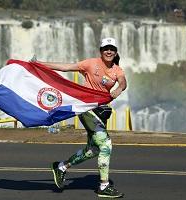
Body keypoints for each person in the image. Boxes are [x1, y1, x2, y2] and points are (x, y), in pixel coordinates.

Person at [34, 37, 127, 198]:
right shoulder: (91, 63)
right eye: (106, 48)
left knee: (93, 149)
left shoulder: (117, 70)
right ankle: (104, 186)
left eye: (112, 48)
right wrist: (40, 64)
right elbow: (65, 67)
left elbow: (123, 82)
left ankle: (61, 167)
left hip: (100, 112)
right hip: (86, 108)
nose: (109, 51)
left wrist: (119, 89)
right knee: (106, 144)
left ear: (116, 51)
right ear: (101, 51)